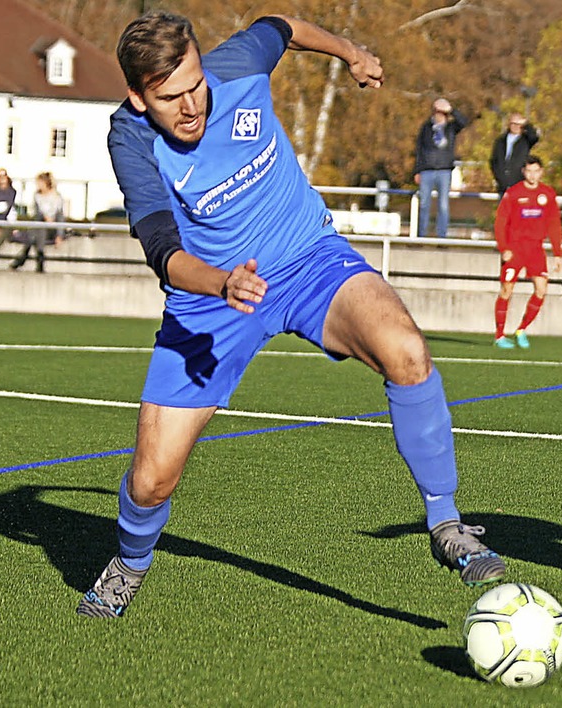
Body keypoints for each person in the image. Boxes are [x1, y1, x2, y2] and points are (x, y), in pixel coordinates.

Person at [76, 11, 505, 619]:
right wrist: (222, 282)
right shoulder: (131, 139)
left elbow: (280, 24)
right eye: (171, 97)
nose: (192, 105)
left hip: (308, 258)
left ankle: (446, 523)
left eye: (196, 84)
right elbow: (161, 251)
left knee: (407, 352)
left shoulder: (239, 64)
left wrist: (352, 52)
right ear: (138, 97)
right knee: (151, 482)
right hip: (211, 301)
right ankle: (130, 562)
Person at [493, 155, 562, 349]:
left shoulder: (547, 194)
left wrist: (558, 253)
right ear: (524, 172)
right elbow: (500, 221)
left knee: (541, 289)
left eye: (536, 171)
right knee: (507, 289)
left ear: (541, 172)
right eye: (529, 171)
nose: (532, 175)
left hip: (535, 249)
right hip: (515, 249)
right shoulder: (514, 193)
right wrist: (504, 248)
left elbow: (554, 224)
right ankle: (499, 335)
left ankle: (521, 329)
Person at [413, 98, 468, 239]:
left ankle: (441, 236)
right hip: (427, 170)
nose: (439, 115)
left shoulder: (451, 128)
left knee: (443, 205)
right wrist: (417, 171)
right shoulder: (426, 128)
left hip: (444, 170)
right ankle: (421, 235)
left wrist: (451, 109)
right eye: (437, 112)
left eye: (442, 113)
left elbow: (464, 122)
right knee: (424, 204)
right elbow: (419, 149)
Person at [10, 172, 64, 273]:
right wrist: (44, 217)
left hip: (52, 228)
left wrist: (59, 235)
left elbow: (60, 216)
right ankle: (40, 260)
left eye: (39, 183)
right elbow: (37, 214)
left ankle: (23, 258)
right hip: (40, 225)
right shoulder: (37, 196)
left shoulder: (57, 197)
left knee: (36, 232)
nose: (38, 185)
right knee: (39, 230)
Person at [489, 113, 539, 199]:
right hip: (503, 186)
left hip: (519, 184)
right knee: (504, 211)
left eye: (518, 124)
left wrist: (526, 123)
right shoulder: (500, 140)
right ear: (509, 124)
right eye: (513, 124)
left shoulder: (525, 140)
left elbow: (534, 137)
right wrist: (498, 177)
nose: (516, 126)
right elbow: (493, 161)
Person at [0, 168, 17, 259]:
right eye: (0, 176)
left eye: (4, 175)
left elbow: (10, 211)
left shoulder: (12, 192)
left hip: (4, 222)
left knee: (1, 233)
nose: (2, 178)